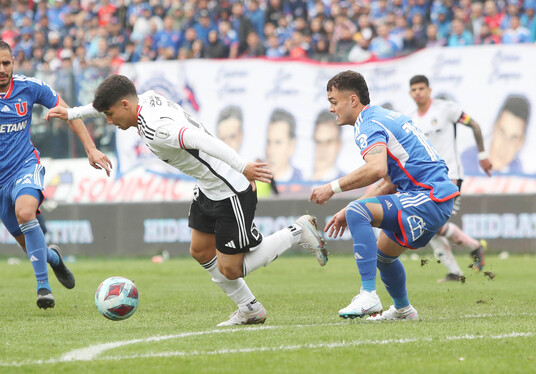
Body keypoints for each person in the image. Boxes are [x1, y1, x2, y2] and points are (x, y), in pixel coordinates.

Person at [46, 74, 328, 326]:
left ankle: (297, 231)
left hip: (230, 189)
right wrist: (71, 113)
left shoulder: (157, 128)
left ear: (124, 105)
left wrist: (242, 166)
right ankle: (250, 309)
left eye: (109, 114)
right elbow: (102, 105)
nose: (108, 120)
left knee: (231, 268)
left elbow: (201, 140)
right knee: (201, 251)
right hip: (208, 187)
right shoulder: (145, 99)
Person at [0, 40, 112, 309]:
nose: (2, 69)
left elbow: (69, 113)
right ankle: (54, 258)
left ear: (13, 61)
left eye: (6, 62)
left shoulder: (30, 86)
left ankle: (43, 289)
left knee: (25, 213)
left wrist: (91, 149)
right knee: (31, 249)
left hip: (26, 165)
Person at [311, 70, 459, 321]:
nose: (331, 109)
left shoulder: (367, 123)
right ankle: (403, 310)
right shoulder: (383, 116)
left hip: (428, 195)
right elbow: (388, 181)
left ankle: (368, 295)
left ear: (353, 100)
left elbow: (376, 169)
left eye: (334, 102)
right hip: (431, 196)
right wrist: (350, 209)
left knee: (360, 214)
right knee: (383, 257)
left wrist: (332, 188)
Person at [407, 75, 490, 282]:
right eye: (414, 89)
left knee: (431, 224)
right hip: (426, 180)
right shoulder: (412, 121)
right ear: (410, 93)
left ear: (429, 90)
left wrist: (482, 155)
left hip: (450, 176)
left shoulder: (446, 109)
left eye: (421, 88)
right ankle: (459, 267)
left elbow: (475, 125)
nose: (418, 92)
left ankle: (471, 250)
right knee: (428, 227)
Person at [462, 94, 530, 175]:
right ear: (494, 128)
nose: (504, 145)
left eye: (514, 138)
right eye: (502, 132)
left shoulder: (518, 173)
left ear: (521, 143)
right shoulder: (464, 162)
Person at [265, 108, 303, 182]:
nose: (270, 151)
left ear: (291, 146)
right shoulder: (255, 182)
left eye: (278, 143)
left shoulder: (302, 180)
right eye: (268, 142)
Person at [312, 110, 344, 182]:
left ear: (338, 145)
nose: (323, 149)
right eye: (319, 142)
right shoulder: (299, 182)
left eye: (329, 142)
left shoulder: (347, 183)